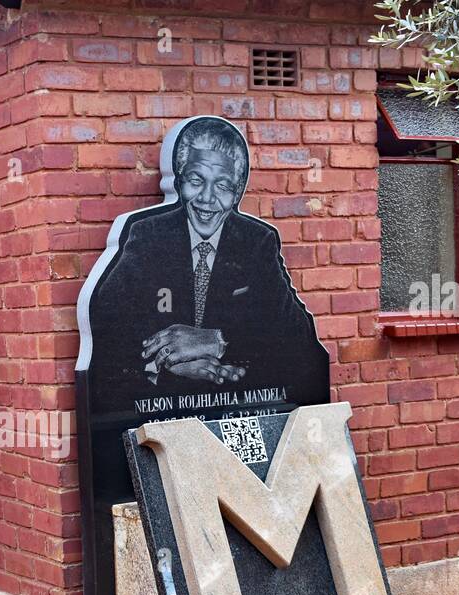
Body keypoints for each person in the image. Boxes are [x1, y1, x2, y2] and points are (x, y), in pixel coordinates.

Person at [88, 116, 329, 411]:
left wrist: (218, 341)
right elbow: (108, 324)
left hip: (235, 410)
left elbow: (300, 342)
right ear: (179, 180)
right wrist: (166, 363)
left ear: (238, 190)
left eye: (223, 185)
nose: (206, 198)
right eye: (196, 180)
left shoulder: (257, 242)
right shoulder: (147, 234)